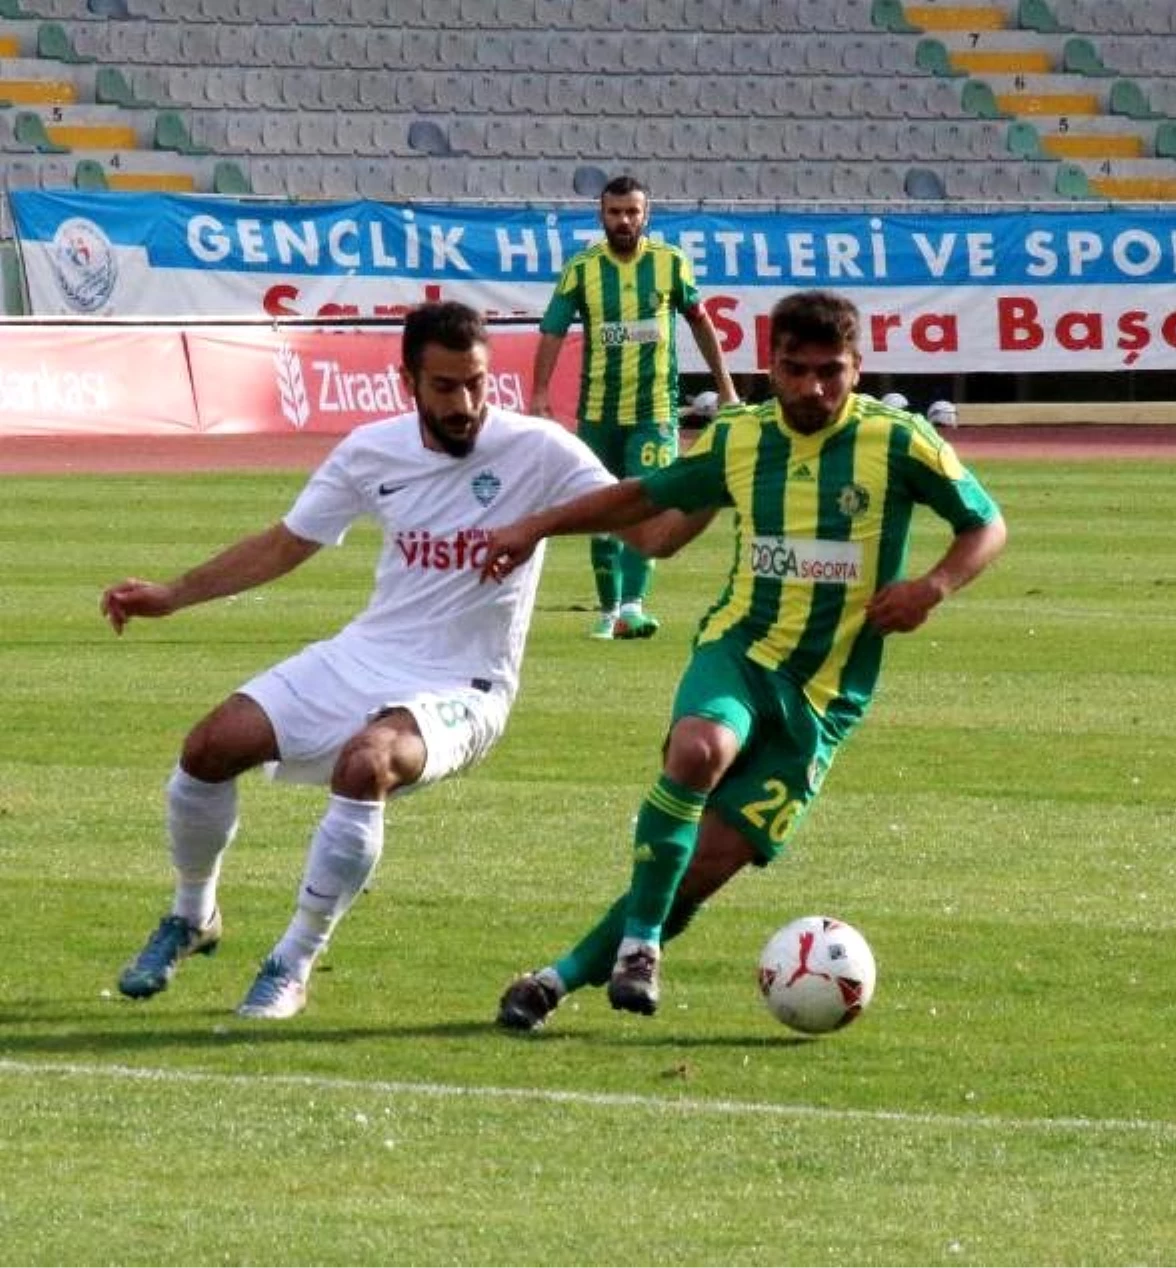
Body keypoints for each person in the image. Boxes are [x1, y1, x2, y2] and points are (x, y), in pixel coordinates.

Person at [483, 289, 1007, 1029]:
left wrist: (933, 586)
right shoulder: (741, 437)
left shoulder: (899, 441)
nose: (813, 389)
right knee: (699, 750)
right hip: (740, 650)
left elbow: (985, 525)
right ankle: (640, 947)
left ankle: (554, 981)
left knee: (701, 869)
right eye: (796, 370)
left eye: (831, 371)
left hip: (826, 698)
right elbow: (646, 501)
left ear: (858, 368)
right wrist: (535, 526)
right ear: (773, 365)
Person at [101, 301, 637, 1021]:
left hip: (467, 683)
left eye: (477, 383)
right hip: (367, 653)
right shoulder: (369, 451)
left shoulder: (537, 448)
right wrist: (172, 595)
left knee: (366, 764)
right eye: (445, 386)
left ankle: (292, 960)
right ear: (406, 381)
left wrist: (712, 481)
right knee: (208, 747)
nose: (466, 403)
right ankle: (193, 916)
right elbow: (288, 542)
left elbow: (647, 521)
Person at [529, 174, 738, 642]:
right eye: (615, 212)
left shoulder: (671, 265)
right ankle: (608, 610)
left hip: (654, 412)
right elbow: (553, 330)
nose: (624, 220)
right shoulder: (581, 269)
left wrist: (725, 387)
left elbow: (701, 323)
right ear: (601, 215)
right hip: (599, 413)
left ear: (647, 215)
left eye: (632, 212)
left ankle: (631, 607)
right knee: (601, 509)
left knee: (646, 503)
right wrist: (540, 393)